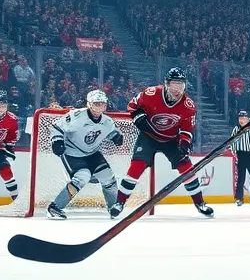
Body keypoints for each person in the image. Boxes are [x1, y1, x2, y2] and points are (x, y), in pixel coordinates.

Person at [119, 68, 213, 217]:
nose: (177, 89)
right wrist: (137, 115)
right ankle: (120, 202)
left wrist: (184, 144)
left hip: (171, 140)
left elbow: (187, 130)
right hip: (148, 136)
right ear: (166, 84)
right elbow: (132, 105)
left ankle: (200, 203)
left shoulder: (188, 105)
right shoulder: (151, 93)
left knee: (187, 168)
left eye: (180, 85)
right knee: (136, 168)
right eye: (174, 85)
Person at [47, 89, 125, 220]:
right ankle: (54, 208)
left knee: (108, 177)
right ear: (88, 104)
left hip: (93, 153)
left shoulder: (107, 121)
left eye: (102, 104)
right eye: (96, 103)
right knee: (83, 176)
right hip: (72, 153)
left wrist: (116, 137)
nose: (99, 107)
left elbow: (112, 132)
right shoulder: (76, 116)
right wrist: (57, 141)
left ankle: (113, 208)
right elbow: (57, 127)